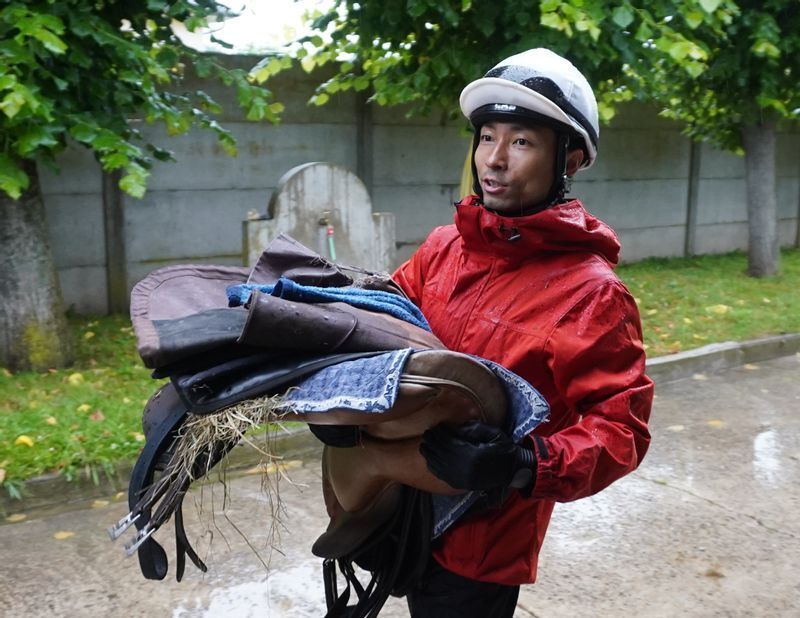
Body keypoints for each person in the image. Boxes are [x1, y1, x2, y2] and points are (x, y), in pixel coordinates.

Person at [392, 48, 654, 617]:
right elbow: (385, 327)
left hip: (482, 547)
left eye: (522, 141)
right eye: (488, 136)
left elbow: (621, 430)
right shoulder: (444, 247)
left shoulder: (592, 295)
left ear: (572, 159)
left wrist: (523, 463)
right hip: (399, 507)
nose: (495, 160)